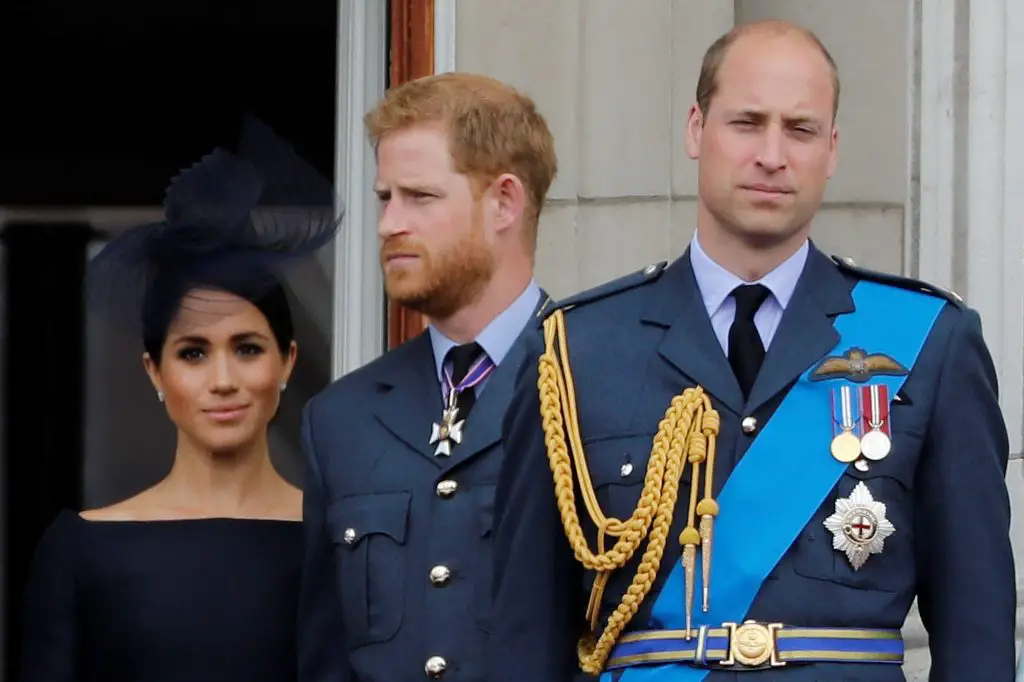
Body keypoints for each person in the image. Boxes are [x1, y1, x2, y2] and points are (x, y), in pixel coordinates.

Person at [488, 20, 1016, 682]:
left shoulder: (929, 341)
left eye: (799, 129)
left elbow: (978, 638)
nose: (772, 154)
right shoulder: (576, 351)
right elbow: (523, 639)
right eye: (746, 123)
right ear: (695, 129)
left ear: (832, 149)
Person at [18, 117, 343, 682]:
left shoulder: (340, 544)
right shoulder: (82, 551)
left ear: (287, 362)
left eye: (247, 348)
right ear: (155, 371)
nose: (223, 379)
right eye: (193, 353)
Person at [297, 72, 557, 682]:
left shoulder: (602, 384)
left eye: (420, 196)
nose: (389, 224)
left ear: (505, 202)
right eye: (386, 197)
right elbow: (324, 657)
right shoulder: (341, 418)